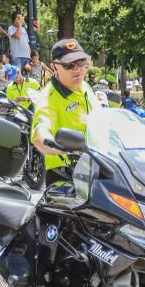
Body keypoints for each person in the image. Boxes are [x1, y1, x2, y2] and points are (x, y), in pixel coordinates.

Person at [31, 39, 101, 184]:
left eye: (81, 62)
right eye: (69, 65)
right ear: (54, 67)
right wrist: (67, 150)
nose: (78, 69)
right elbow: (39, 136)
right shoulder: (49, 97)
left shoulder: (85, 87)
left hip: (97, 168)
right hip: (66, 175)